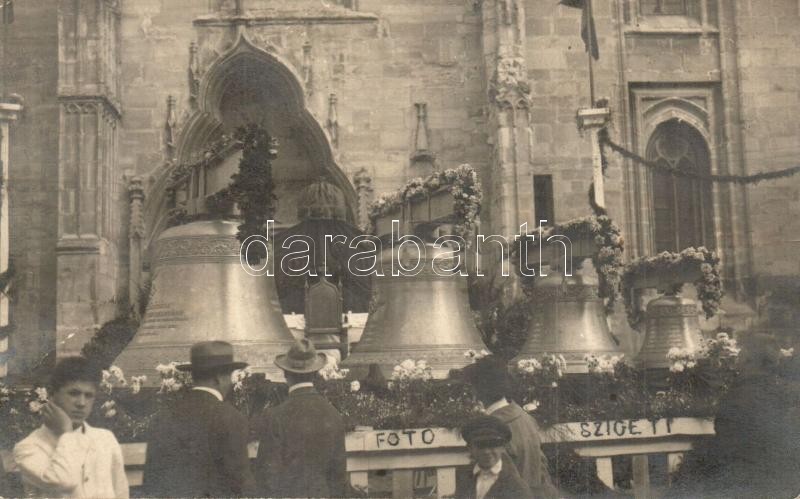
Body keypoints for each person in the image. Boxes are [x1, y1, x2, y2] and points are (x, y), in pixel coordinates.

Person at [142, 341, 256, 497]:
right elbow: (240, 483)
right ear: (218, 378)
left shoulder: (163, 416)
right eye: (229, 375)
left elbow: (151, 482)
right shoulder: (231, 418)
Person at [13, 356, 129, 498]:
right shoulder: (29, 447)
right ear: (52, 395)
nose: (81, 403)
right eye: (74, 393)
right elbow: (64, 482)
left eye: (89, 395)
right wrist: (66, 434)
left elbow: (121, 492)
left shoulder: (105, 439)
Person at [254, 339, 348, 497]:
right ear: (315, 373)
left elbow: (267, 476)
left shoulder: (275, 416)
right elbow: (338, 476)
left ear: (285, 373)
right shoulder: (333, 414)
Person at [461, 356, 560, 498]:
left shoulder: (491, 430)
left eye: (473, 385)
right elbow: (542, 468)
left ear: (479, 389)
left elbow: (500, 481)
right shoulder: (525, 417)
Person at [455, 414, 532, 499]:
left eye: (492, 445)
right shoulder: (464, 476)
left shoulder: (516, 485)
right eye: (481, 445)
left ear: (503, 447)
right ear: (470, 448)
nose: (486, 452)